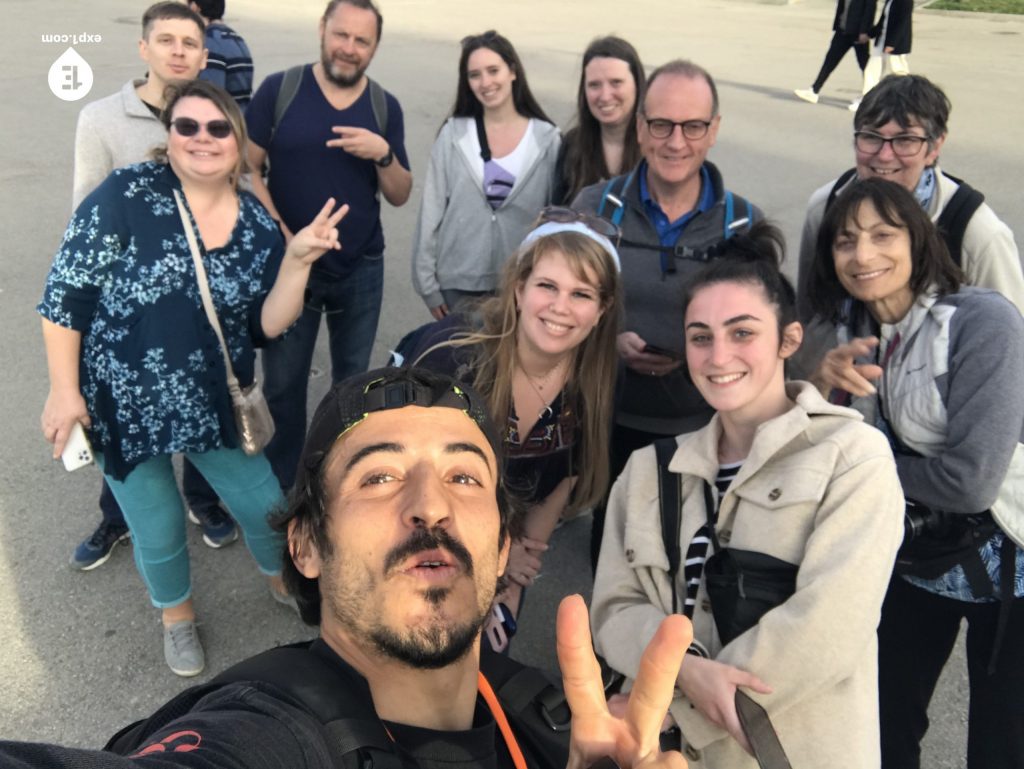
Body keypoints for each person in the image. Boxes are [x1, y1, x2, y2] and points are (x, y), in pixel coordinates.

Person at [3, 367, 694, 769]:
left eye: (463, 476)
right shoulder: (270, 733)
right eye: (379, 476)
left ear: (504, 547)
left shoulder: (549, 722)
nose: (431, 506)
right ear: (305, 545)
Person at [39, 79, 348, 677]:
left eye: (217, 127)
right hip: (120, 399)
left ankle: (283, 580)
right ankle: (176, 616)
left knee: (264, 503)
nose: (202, 138)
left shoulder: (256, 224)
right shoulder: (127, 193)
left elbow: (264, 324)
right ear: (169, 135)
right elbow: (65, 294)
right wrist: (64, 390)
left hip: (211, 398)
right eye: (187, 126)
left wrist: (297, 263)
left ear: (236, 139)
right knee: (154, 520)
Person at [592, 221, 905, 768]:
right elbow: (613, 609)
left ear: (789, 340)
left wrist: (674, 705)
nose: (718, 356)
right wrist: (685, 667)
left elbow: (828, 628)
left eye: (742, 333)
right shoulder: (647, 470)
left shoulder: (852, 457)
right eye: (700, 337)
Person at [808, 178, 1024, 769]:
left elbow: (971, 481)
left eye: (883, 235)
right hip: (912, 557)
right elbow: (814, 446)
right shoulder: (850, 331)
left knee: (1003, 745)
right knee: (879, 727)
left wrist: (863, 469)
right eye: (846, 240)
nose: (863, 254)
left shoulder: (983, 321)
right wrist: (822, 384)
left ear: (919, 241)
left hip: (1010, 563)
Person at [69, 1, 240, 570]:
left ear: (205, 55)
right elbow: (85, 217)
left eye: (189, 43)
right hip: (129, 315)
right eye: (166, 40)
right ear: (144, 48)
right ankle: (118, 517)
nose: (178, 52)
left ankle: (202, 501)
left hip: (200, 308)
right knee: (124, 423)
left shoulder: (216, 115)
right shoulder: (101, 118)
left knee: (204, 410)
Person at [572, 59, 761, 569]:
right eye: (661, 125)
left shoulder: (744, 224)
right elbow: (556, 311)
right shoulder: (594, 208)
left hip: (705, 428)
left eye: (693, 126)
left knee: (689, 561)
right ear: (640, 128)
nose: (676, 142)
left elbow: (759, 342)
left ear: (713, 130)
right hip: (609, 422)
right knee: (612, 555)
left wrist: (700, 350)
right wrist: (606, 341)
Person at [406, 212, 623, 649]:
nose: (561, 307)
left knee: (489, 656)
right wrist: (493, 561)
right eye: (548, 286)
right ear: (520, 289)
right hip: (420, 535)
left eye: (581, 294)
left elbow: (564, 477)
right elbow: (407, 476)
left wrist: (521, 557)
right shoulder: (453, 357)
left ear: (601, 310)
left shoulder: (595, 383)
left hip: (506, 546)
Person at [245, 0, 413, 491]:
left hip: (361, 266)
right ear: (322, 29)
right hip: (291, 268)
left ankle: (338, 483)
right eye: (341, 35)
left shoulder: (384, 107)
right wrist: (281, 230)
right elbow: (248, 166)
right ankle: (284, 487)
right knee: (283, 385)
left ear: (374, 47)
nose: (349, 48)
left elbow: (400, 194)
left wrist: (383, 153)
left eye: (362, 41)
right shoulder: (280, 90)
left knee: (352, 383)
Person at [792, 74, 1024, 379]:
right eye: (871, 137)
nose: (885, 155)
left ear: (935, 146)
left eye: (905, 140)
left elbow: (1009, 342)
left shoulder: (975, 232)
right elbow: (811, 310)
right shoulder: (825, 208)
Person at [411, 31, 560, 319]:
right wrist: (427, 284)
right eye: (474, 75)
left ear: (512, 71)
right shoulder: (454, 134)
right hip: (457, 283)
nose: (485, 82)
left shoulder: (547, 140)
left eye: (493, 70)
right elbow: (431, 210)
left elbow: (553, 219)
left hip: (521, 284)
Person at [552, 36, 645, 206]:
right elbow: (559, 213)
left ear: (637, 84)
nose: (605, 96)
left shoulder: (655, 145)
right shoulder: (573, 145)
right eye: (594, 85)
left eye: (616, 83)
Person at [794, 0, 876, 107]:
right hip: (842, 31)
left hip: (857, 33)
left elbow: (870, 11)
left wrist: (864, 31)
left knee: (866, 66)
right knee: (830, 61)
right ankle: (814, 90)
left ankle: (873, 96)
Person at [190, 0, 254, 107]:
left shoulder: (211, 42)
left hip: (225, 115)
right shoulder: (236, 38)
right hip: (240, 113)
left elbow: (210, 96)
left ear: (195, 7)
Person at [854, 0, 912, 110]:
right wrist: (869, 35)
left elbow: (902, 23)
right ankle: (867, 99)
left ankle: (906, 101)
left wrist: (892, 43)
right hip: (882, 40)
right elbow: (883, 22)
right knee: (872, 70)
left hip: (896, 44)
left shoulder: (905, 1)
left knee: (899, 73)